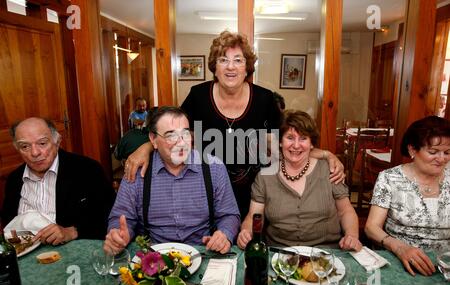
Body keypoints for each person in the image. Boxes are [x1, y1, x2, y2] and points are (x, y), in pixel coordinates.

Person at [124, 31, 345, 219]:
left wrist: (326, 155)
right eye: (223, 60)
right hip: (207, 194)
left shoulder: (265, 100)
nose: (231, 67)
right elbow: (172, 133)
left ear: (247, 67)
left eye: (238, 60)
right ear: (215, 66)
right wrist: (146, 147)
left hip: (256, 196)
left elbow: (289, 143)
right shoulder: (198, 96)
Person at [104, 107, 240, 255]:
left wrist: (224, 234)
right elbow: (122, 218)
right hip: (153, 259)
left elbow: (229, 214)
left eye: (185, 133)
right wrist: (118, 234)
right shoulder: (137, 171)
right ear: (153, 139)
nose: (181, 143)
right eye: (171, 135)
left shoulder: (214, 168)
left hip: (202, 253)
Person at [237, 110, 362, 250]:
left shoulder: (330, 170)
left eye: (303, 138)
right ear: (280, 142)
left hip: (326, 255)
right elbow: (253, 216)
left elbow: (345, 211)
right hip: (279, 256)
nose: (296, 145)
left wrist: (351, 235)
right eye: (290, 137)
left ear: (312, 144)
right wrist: (246, 232)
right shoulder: (265, 176)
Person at [0, 117, 115, 245]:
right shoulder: (14, 180)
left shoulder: (87, 170)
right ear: (17, 149)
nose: (35, 152)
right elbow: (8, 223)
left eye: (42, 143)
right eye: (25, 146)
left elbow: (111, 217)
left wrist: (71, 232)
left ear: (57, 141)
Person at [365, 116, 450, 277]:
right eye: (433, 152)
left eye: (447, 152)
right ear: (412, 150)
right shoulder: (389, 178)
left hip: (445, 266)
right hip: (401, 263)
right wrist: (399, 248)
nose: (442, 159)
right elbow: (371, 228)